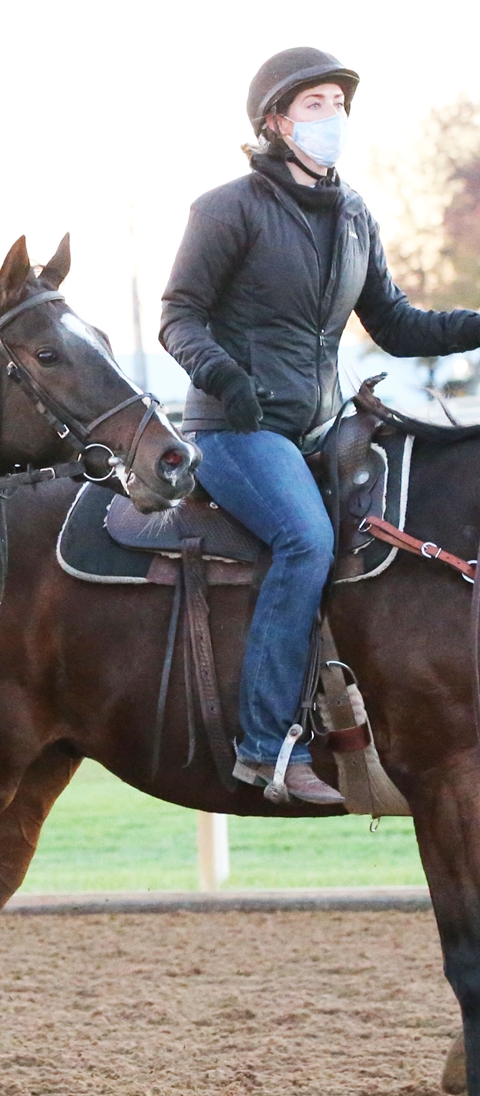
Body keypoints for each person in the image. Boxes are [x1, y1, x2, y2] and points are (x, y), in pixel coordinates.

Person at [161, 47, 480, 804]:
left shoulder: (354, 214)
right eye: (314, 104)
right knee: (305, 542)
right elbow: (179, 317)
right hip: (234, 431)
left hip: (318, 430)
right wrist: (223, 377)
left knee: (382, 542)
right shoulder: (226, 208)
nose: (331, 117)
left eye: (339, 103)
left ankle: (362, 728)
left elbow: (397, 325)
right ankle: (265, 749)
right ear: (274, 121)